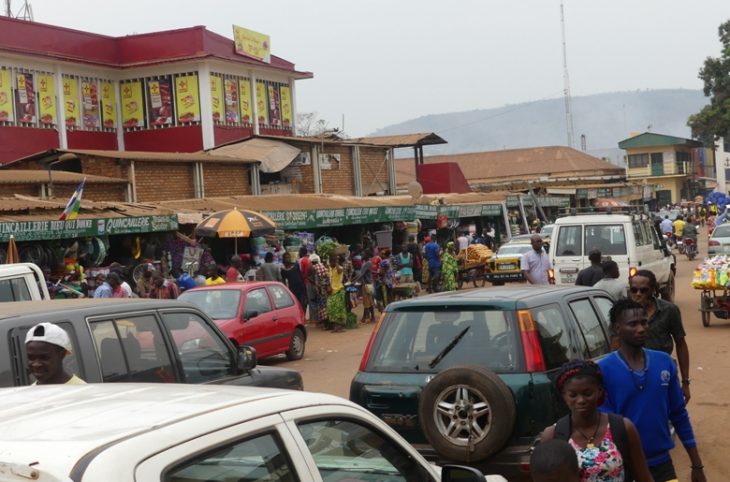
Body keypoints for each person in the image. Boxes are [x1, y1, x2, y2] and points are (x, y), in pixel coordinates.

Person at [600, 299, 705, 482]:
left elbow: (679, 414)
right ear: (617, 328)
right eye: (633, 324)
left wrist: (696, 465)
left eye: (644, 322)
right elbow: (605, 425)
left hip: (661, 464)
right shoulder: (603, 370)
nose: (641, 329)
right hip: (620, 467)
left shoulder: (664, 362)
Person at [540, 360, 653, 482]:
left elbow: (644, 477)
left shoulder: (623, 428)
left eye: (588, 393)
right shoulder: (553, 436)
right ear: (563, 396)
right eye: (573, 395)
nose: (581, 400)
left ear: (599, 391)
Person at [629, 269, 691, 402]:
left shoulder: (669, 310)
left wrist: (685, 382)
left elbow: (680, 344)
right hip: (632, 375)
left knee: (667, 413)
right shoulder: (623, 313)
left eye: (643, 290)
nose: (638, 294)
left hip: (662, 372)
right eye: (634, 290)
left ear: (653, 290)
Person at [326, 255, 347, 333]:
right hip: (332, 292)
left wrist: (336, 262)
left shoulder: (339, 268)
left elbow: (339, 270)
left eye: (331, 262)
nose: (330, 264)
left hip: (338, 290)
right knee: (331, 308)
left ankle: (339, 326)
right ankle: (336, 326)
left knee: (339, 309)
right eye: (330, 262)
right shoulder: (330, 269)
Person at [354, 249, 375, 323]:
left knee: (367, 302)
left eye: (364, 254)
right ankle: (370, 317)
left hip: (367, 284)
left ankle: (367, 317)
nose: (362, 255)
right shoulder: (366, 263)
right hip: (367, 284)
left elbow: (361, 274)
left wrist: (354, 280)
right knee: (369, 301)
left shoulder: (367, 263)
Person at [311, 254, 330, 329]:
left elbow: (314, 279)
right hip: (326, 288)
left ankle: (325, 324)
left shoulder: (313, 268)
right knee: (326, 305)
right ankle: (328, 323)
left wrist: (315, 286)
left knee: (322, 307)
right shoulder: (323, 266)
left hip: (320, 289)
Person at [298, 247, 312, 318]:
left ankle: (304, 315)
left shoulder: (300, 261)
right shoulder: (309, 260)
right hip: (310, 281)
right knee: (309, 298)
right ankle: (310, 316)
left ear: (301, 252)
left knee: (303, 299)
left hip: (303, 282)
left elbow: (300, 272)